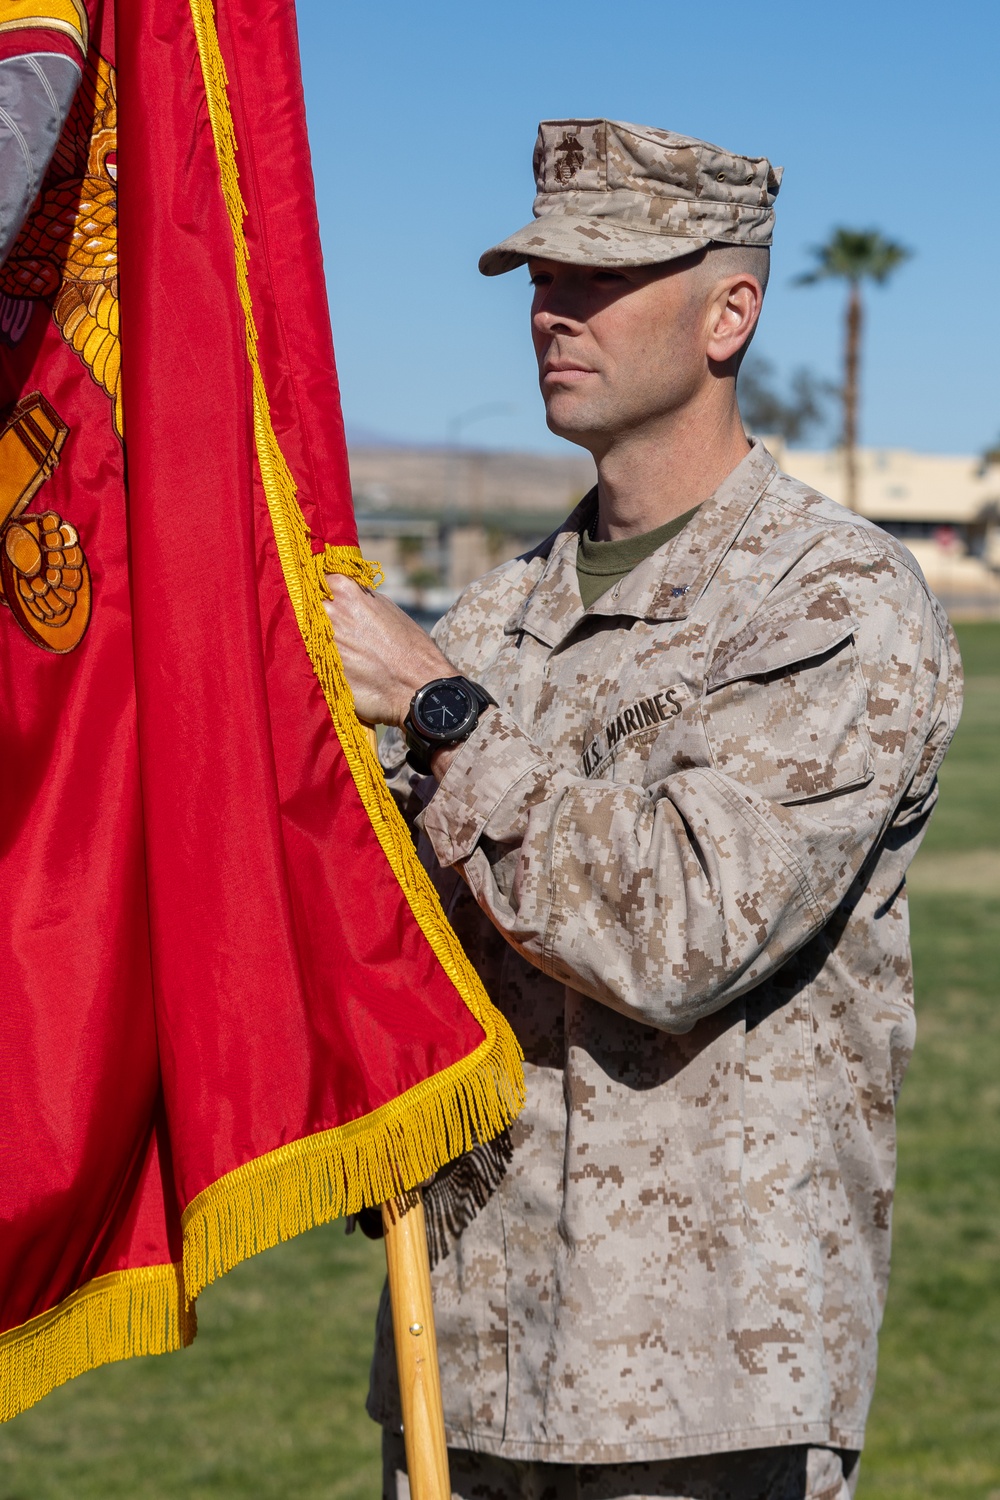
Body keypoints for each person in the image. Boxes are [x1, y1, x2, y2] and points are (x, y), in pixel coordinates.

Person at [324, 119, 962, 1500]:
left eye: (603, 275)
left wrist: (440, 716)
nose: (555, 309)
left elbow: (680, 934)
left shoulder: (834, 602)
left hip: (699, 1387)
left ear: (730, 310)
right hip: (466, 1355)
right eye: (541, 276)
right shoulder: (493, 616)